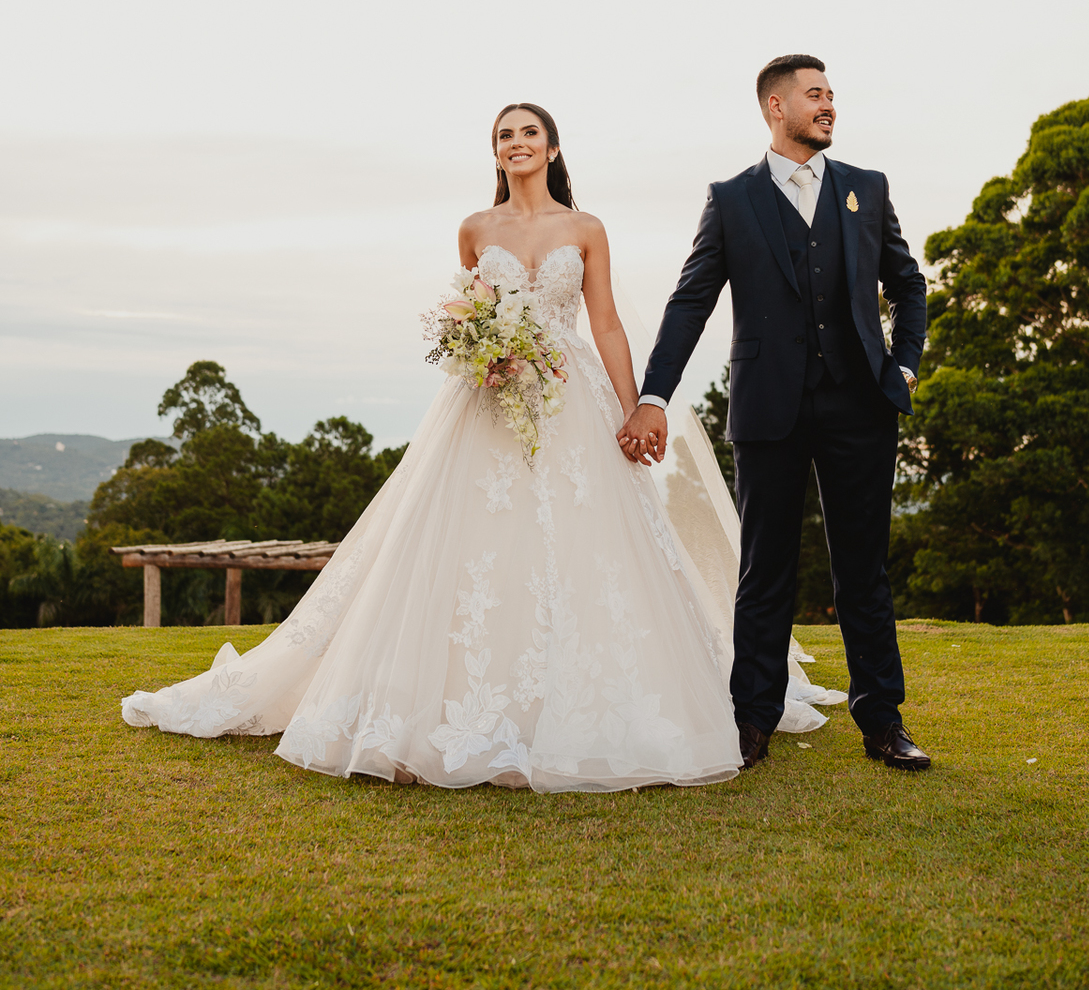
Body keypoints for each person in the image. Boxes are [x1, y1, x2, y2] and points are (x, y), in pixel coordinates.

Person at [122, 103, 836, 791]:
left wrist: (633, 409)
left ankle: (590, 709)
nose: (516, 143)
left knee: (586, 545)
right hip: (488, 399)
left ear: (552, 148)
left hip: (570, 396)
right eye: (504, 136)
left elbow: (607, 324)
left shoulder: (585, 227)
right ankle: (451, 715)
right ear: (496, 153)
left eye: (528, 133)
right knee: (471, 547)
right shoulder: (474, 229)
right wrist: (482, 351)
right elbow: (468, 313)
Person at [619, 56, 931, 773]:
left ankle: (883, 722)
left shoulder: (867, 188)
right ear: (775, 106)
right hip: (768, 406)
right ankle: (752, 721)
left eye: (831, 95)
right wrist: (654, 395)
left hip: (860, 404)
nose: (828, 105)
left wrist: (905, 363)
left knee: (864, 571)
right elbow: (691, 302)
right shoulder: (731, 199)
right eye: (814, 94)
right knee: (764, 571)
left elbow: (907, 283)